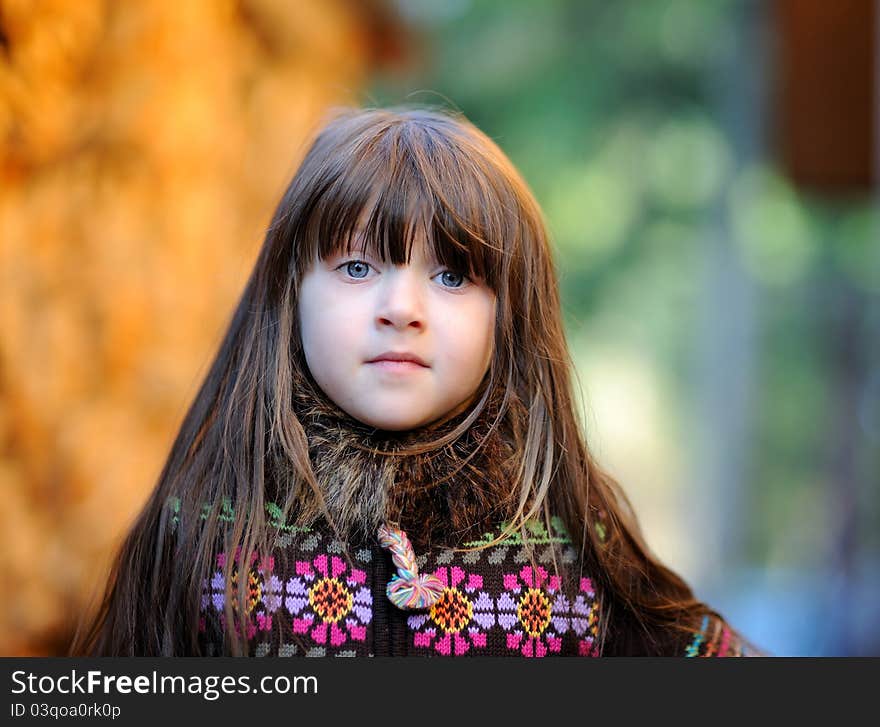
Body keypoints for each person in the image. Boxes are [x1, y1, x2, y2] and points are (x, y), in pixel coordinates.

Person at [70, 105, 763, 657]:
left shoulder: (574, 539)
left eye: (453, 275)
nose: (400, 308)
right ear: (291, 297)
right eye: (356, 268)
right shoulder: (203, 534)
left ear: (510, 319)